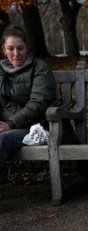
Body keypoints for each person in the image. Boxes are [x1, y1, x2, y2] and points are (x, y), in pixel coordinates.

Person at [0, 25, 57, 172]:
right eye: (11, 48)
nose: (16, 53)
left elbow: (38, 104)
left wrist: (10, 124)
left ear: (27, 48)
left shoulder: (39, 68)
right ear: (4, 50)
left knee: (2, 139)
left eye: (20, 48)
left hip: (35, 127)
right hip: (7, 126)